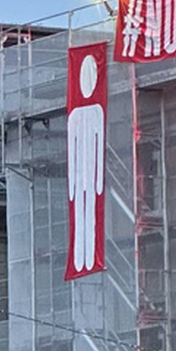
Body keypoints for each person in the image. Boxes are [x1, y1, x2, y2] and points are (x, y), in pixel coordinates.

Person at [68, 54, 105, 273]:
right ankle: (83, 258)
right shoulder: (76, 116)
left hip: (90, 173)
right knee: (82, 216)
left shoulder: (96, 111)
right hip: (83, 172)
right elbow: (72, 152)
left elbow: (99, 142)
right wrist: (72, 186)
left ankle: (88, 258)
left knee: (90, 213)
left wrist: (99, 180)